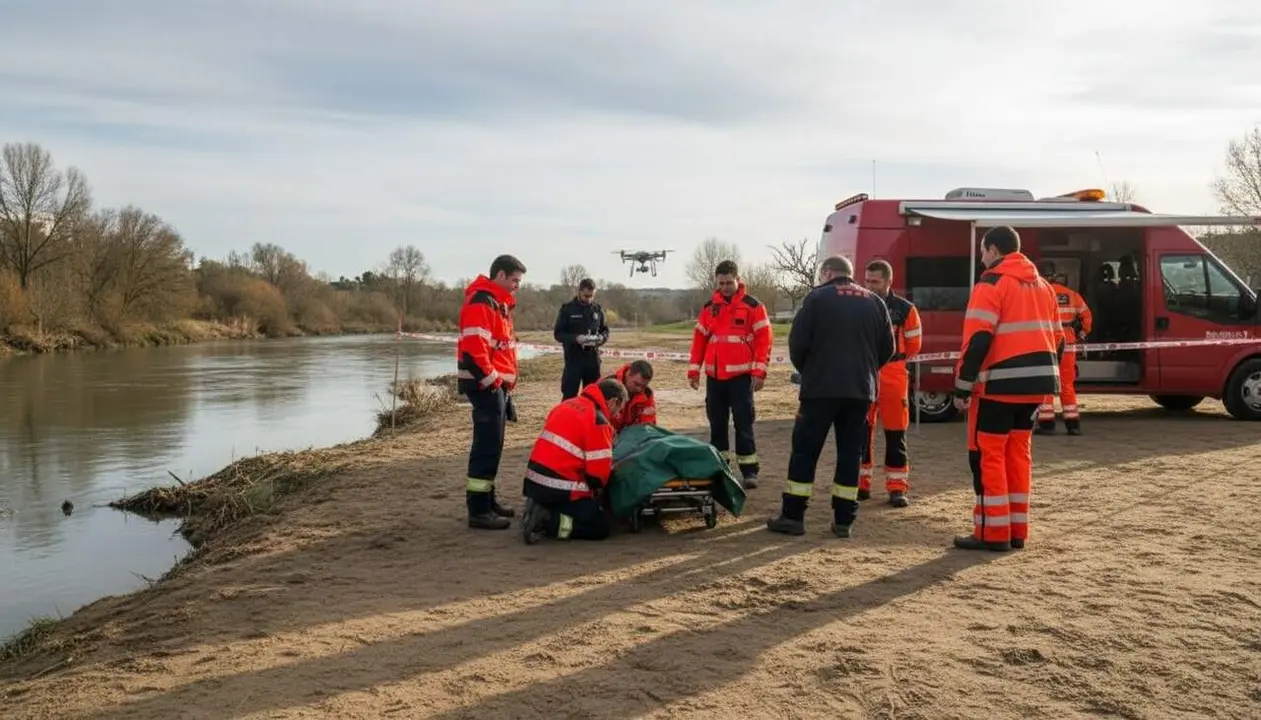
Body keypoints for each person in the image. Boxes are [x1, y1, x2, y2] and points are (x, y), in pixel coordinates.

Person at [952, 227, 1064, 552]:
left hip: (997, 387)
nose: (982, 257)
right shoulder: (1043, 286)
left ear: (994, 250)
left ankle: (992, 533)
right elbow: (1058, 340)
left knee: (989, 456)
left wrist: (962, 387)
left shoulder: (991, 283)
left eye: (983, 250)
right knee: (1019, 455)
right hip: (1035, 389)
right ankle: (1016, 531)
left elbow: (979, 340)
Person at [767, 255, 895, 538]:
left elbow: (797, 344)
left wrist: (810, 371)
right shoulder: (875, 302)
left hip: (819, 391)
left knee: (805, 452)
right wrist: (867, 372)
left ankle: (793, 516)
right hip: (860, 391)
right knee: (851, 455)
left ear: (826, 273)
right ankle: (843, 521)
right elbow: (888, 347)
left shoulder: (816, 299)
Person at [686, 260, 773, 489]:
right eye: (721, 283)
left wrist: (759, 372)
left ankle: (749, 471)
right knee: (717, 425)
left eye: (729, 282)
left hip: (741, 378)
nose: (725, 287)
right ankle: (720, 468)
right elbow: (699, 341)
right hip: (715, 379)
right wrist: (694, 370)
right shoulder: (708, 308)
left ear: (738, 279)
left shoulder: (753, 306)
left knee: (744, 424)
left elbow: (764, 341)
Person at [457, 254, 527, 530]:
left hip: (494, 386)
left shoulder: (498, 305)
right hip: (486, 386)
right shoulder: (482, 303)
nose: (517, 286)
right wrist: (494, 382)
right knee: (486, 448)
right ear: (500, 275)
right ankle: (478, 511)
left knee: (492, 447)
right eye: (514, 280)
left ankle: (487, 500)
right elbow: (475, 351)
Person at [520, 378, 629, 544]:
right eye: (619, 410)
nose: (618, 415)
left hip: (533, 481)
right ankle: (548, 522)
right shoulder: (598, 421)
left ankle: (539, 506)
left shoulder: (565, 405)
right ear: (613, 402)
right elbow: (597, 477)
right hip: (557, 488)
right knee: (599, 526)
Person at [860, 259, 923, 508]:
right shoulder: (859, 305)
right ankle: (861, 484)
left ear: (889, 281)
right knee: (861, 432)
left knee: (896, 433)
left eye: (875, 282)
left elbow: (914, 346)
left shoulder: (905, 310)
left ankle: (897, 487)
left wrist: (894, 363)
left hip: (893, 373)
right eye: (867, 281)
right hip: (864, 372)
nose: (870, 286)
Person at [1035, 260, 1093, 436]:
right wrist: (1082, 333)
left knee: (1046, 383)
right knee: (1067, 384)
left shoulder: (1038, 294)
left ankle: (1046, 423)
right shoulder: (1071, 294)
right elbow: (1086, 316)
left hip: (1047, 341)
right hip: (1068, 342)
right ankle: (1072, 424)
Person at [553, 278, 610, 399]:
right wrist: (576, 338)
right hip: (574, 359)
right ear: (579, 291)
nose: (588, 299)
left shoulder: (597, 309)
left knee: (592, 396)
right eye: (586, 296)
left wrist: (601, 338)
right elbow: (558, 334)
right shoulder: (568, 309)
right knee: (569, 395)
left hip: (592, 359)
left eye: (591, 296)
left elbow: (605, 330)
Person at [607, 360, 657, 431]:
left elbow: (648, 430)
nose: (639, 389)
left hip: (630, 437)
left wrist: (647, 417)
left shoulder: (647, 394)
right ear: (628, 374)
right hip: (606, 435)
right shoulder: (607, 386)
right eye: (637, 384)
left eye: (643, 386)